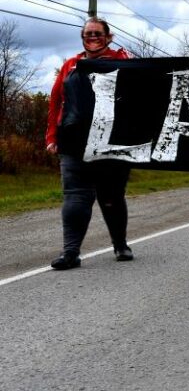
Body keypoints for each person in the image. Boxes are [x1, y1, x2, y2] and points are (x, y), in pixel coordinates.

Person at [45, 17, 133, 270]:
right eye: (88, 34)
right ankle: (70, 253)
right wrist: (52, 137)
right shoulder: (71, 65)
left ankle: (120, 244)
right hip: (73, 141)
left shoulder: (123, 62)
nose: (92, 38)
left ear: (108, 37)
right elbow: (55, 102)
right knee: (75, 196)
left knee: (111, 196)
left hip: (112, 142)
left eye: (97, 34)